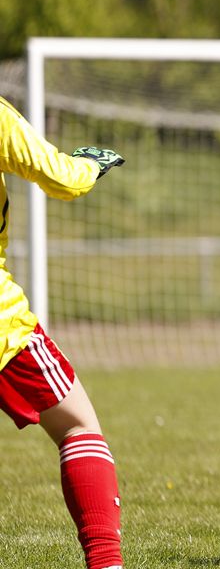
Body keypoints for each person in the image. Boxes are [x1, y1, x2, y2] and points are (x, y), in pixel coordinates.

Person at [0, 96, 126, 569]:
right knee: (78, 424)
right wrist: (89, 166)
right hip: (3, 327)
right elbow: (60, 178)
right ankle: (106, 564)